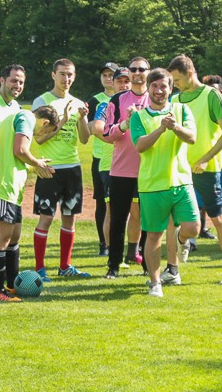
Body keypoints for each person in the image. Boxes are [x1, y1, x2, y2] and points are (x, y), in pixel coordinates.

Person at [0, 65, 53, 300]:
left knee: (14, 238)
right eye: (47, 131)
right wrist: (37, 162)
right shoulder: (26, 117)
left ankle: (12, 286)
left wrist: (34, 164)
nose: (42, 136)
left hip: (10, 187)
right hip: (3, 185)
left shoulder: (18, 114)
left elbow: (16, 157)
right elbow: (20, 150)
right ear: (45, 123)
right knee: (2, 239)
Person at [168, 54, 222, 285]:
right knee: (173, 221)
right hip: (178, 170)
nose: (175, 85)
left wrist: (205, 159)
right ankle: (172, 270)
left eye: (177, 80)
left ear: (190, 74)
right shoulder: (175, 99)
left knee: (218, 218)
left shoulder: (211, 95)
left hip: (207, 171)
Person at [129, 68, 199, 296]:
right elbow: (140, 146)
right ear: (148, 89)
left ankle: (180, 239)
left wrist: (175, 126)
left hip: (181, 180)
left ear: (171, 89)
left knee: (193, 228)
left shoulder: (181, 110)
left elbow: (192, 138)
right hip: (152, 185)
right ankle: (155, 282)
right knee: (154, 235)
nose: (159, 91)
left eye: (164, 86)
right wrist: (161, 129)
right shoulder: (138, 117)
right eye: (155, 86)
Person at [31, 58, 93, 279]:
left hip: (72, 168)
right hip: (50, 168)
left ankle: (65, 267)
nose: (66, 78)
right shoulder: (42, 101)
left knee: (70, 218)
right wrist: (63, 121)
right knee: (46, 218)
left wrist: (82, 119)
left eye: (70, 74)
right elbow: (39, 139)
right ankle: (40, 269)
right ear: (53, 75)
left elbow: (84, 139)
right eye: (62, 74)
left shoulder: (78, 103)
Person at [99, 58, 151, 277]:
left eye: (142, 69)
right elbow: (107, 134)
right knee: (118, 219)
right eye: (133, 69)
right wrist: (124, 124)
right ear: (128, 73)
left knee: (149, 220)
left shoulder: (156, 97)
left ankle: (149, 265)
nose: (137, 73)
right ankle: (113, 266)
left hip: (150, 169)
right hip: (122, 169)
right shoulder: (118, 99)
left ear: (148, 72)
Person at [88, 62, 120, 255]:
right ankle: (104, 244)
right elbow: (93, 128)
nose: (108, 78)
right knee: (102, 202)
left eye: (111, 75)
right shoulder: (96, 101)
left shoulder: (126, 97)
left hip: (124, 157)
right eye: (104, 75)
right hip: (101, 158)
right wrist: (112, 138)